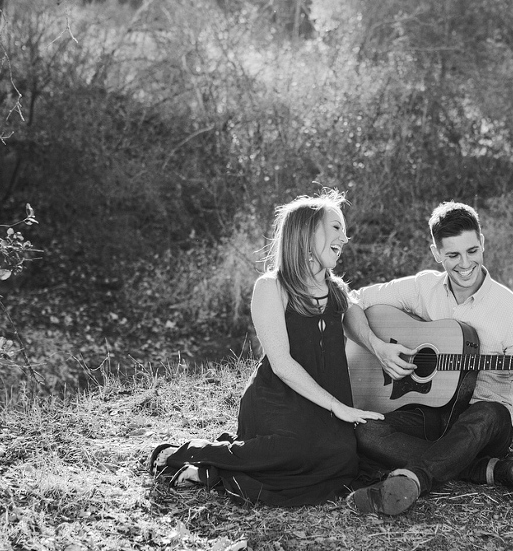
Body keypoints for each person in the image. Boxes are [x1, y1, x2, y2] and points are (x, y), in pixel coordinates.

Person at [146, 191, 383, 507]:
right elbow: (282, 363)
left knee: (341, 457)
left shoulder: (335, 288)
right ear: (307, 232)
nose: (346, 237)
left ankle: (212, 472)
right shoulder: (272, 287)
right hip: (277, 400)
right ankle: (192, 453)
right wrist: (337, 407)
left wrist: (378, 346)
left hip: (320, 401)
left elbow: (353, 311)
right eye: (336, 228)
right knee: (295, 449)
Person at [342, 201, 513, 516]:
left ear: (483, 245)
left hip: (483, 426)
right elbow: (353, 300)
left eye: (472, 251)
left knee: (490, 413)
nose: (465, 264)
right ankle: (483, 470)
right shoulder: (423, 287)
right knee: (365, 430)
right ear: (437, 253)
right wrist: (378, 347)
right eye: (452, 255)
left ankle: (413, 479)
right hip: (428, 414)